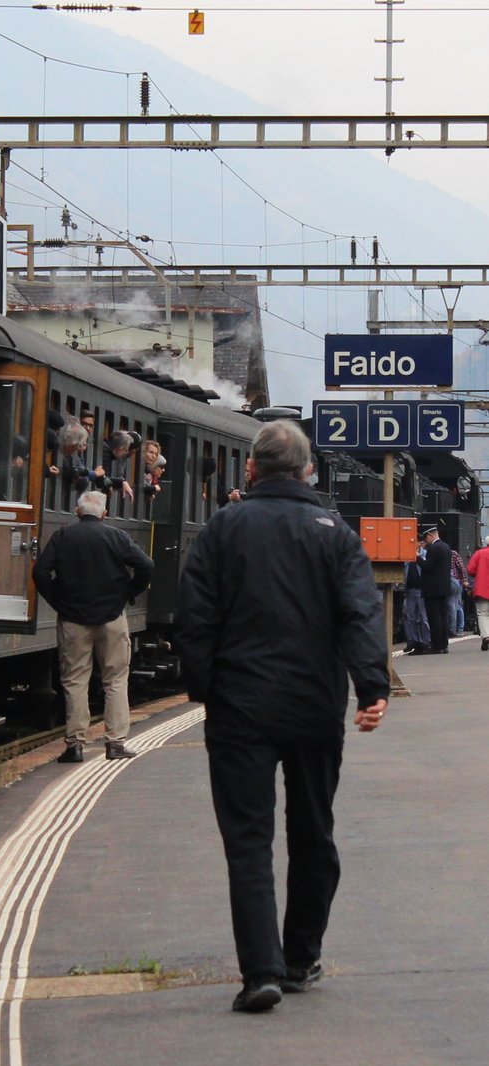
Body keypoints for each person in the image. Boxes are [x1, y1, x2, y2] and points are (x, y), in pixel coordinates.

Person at [176, 420, 389, 1014]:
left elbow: (195, 616)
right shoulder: (335, 533)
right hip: (314, 706)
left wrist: (206, 689)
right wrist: (371, 685)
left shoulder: (223, 528)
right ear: (308, 472)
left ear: (251, 469)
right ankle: (301, 957)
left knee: (248, 840)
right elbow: (360, 614)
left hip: (240, 707)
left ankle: (262, 972)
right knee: (313, 830)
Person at [32, 489, 153, 763]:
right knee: (116, 680)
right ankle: (115, 742)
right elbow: (146, 565)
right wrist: (128, 592)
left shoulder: (63, 537)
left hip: (73, 619)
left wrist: (58, 600)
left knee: (75, 681)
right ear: (105, 514)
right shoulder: (116, 536)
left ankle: (75, 744)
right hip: (112, 618)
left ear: (77, 512)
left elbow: (40, 572)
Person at [419, 524, 452, 654]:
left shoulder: (433, 549)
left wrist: (417, 557)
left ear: (430, 535)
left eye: (425, 537)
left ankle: (436, 646)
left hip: (432, 589)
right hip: (444, 587)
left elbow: (428, 567)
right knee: (443, 617)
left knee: (434, 618)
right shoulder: (446, 547)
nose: (425, 540)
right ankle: (444, 645)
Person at [402, 547, 431, 655]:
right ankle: (416, 642)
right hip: (409, 590)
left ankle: (426, 641)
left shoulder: (425, 554)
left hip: (422, 589)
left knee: (424, 617)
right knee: (411, 617)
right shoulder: (406, 556)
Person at [98, 429, 141, 502]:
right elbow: (102, 478)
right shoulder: (105, 453)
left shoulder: (108, 452)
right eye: (126, 450)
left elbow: (104, 477)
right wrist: (121, 482)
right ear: (120, 449)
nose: (126, 453)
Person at [467, 533, 489, 651]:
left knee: (483, 614)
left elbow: (470, 569)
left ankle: (486, 636)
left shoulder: (479, 553)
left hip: (483, 589)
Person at [449, 544, 470, 636]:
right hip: (456, 581)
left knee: (455, 605)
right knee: (456, 605)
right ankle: (458, 628)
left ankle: (459, 628)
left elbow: (462, 568)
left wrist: (464, 580)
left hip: (455, 581)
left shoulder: (453, 554)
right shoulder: (453, 553)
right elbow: (462, 568)